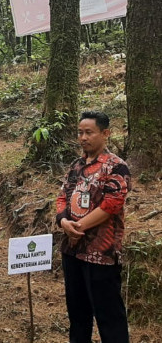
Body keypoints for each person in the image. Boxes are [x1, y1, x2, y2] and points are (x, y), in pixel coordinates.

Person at [55, 111, 130, 343]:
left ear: (105, 134)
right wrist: (63, 222)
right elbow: (62, 198)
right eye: (80, 132)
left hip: (101, 255)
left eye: (89, 132)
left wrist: (78, 226)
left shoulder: (116, 167)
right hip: (72, 251)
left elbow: (112, 204)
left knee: (109, 317)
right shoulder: (76, 166)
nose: (83, 138)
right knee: (78, 316)